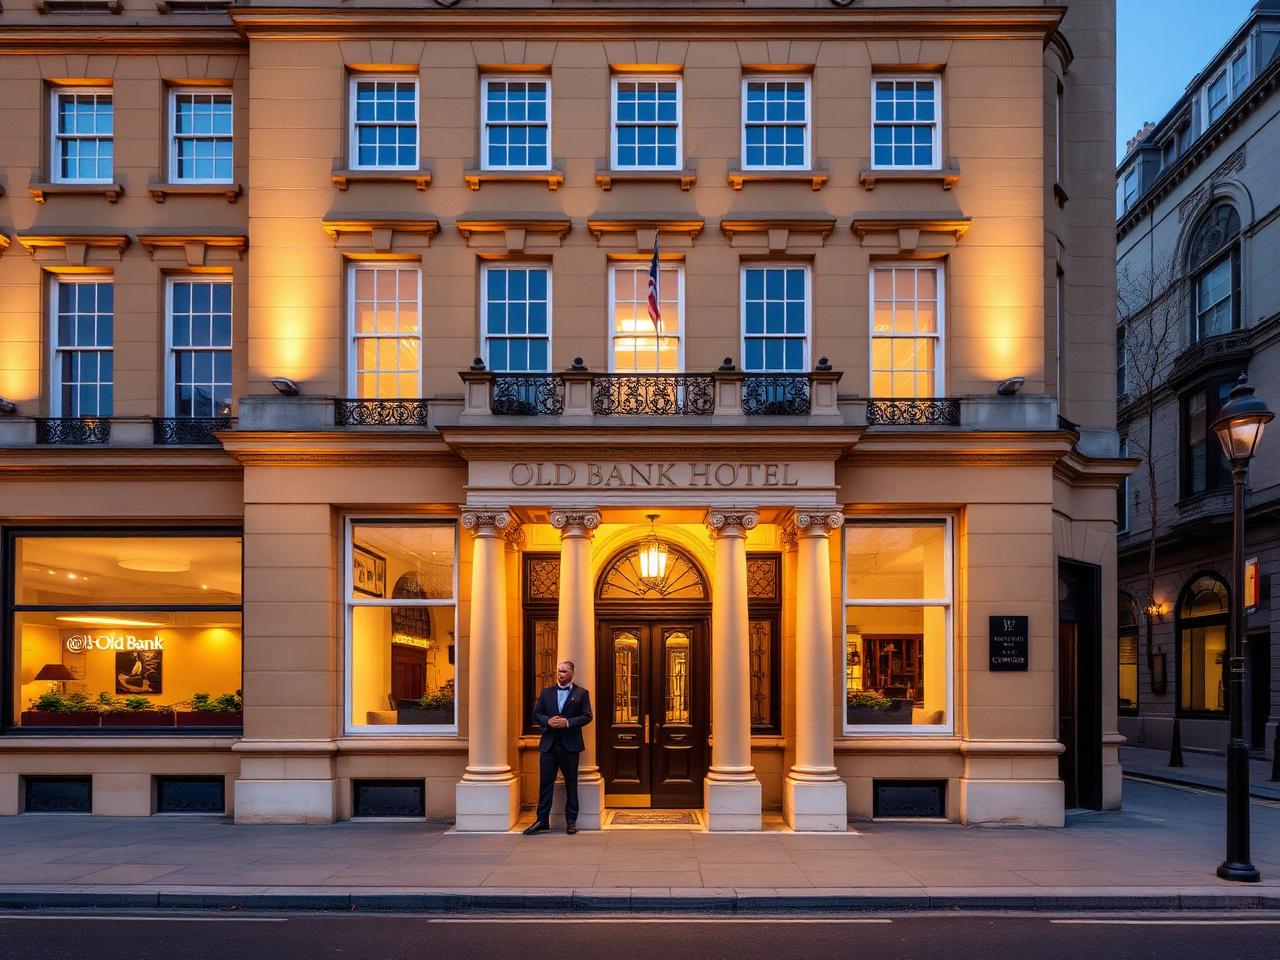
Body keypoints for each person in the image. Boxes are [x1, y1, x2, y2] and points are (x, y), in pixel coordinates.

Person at [524, 660, 592, 835]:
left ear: (571, 673)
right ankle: (541, 820)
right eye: (558, 671)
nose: (559, 674)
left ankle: (571, 821)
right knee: (545, 784)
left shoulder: (581, 693)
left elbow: (587, 716)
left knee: (571, 784)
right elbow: (536, 714)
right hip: (549, 746)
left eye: (563, 671)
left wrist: (568, 722)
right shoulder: (546, 692)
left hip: (570, 746)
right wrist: (547, 721)